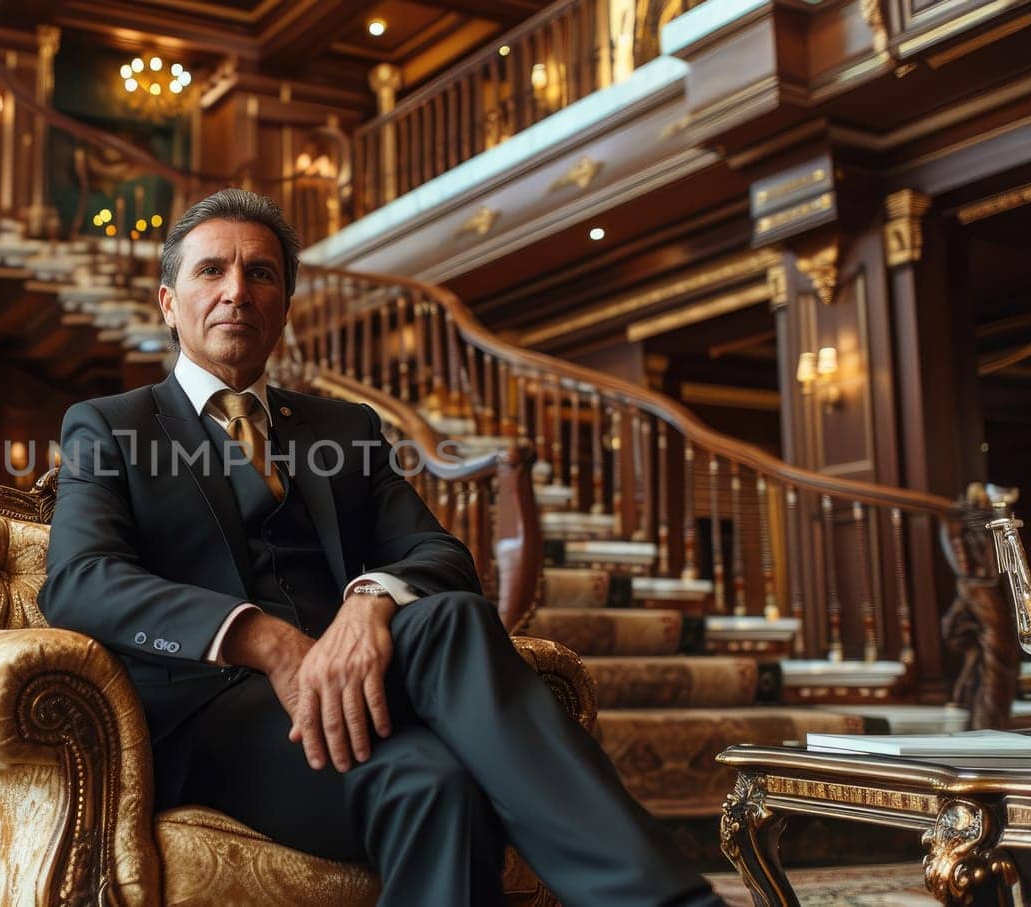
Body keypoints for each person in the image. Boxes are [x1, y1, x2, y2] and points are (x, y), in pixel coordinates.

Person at [38, 188, 721, 906]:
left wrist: (366, 606)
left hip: (363, 679)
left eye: (261, 274)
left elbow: (440, 555)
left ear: (286, 305)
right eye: (212, 271)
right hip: (215, 716)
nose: (237, 291)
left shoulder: (343, 429)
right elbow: (81, 581)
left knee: (452, 616)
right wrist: (266, 640)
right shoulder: (113, 425)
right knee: (434, 784)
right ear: (169, 302)